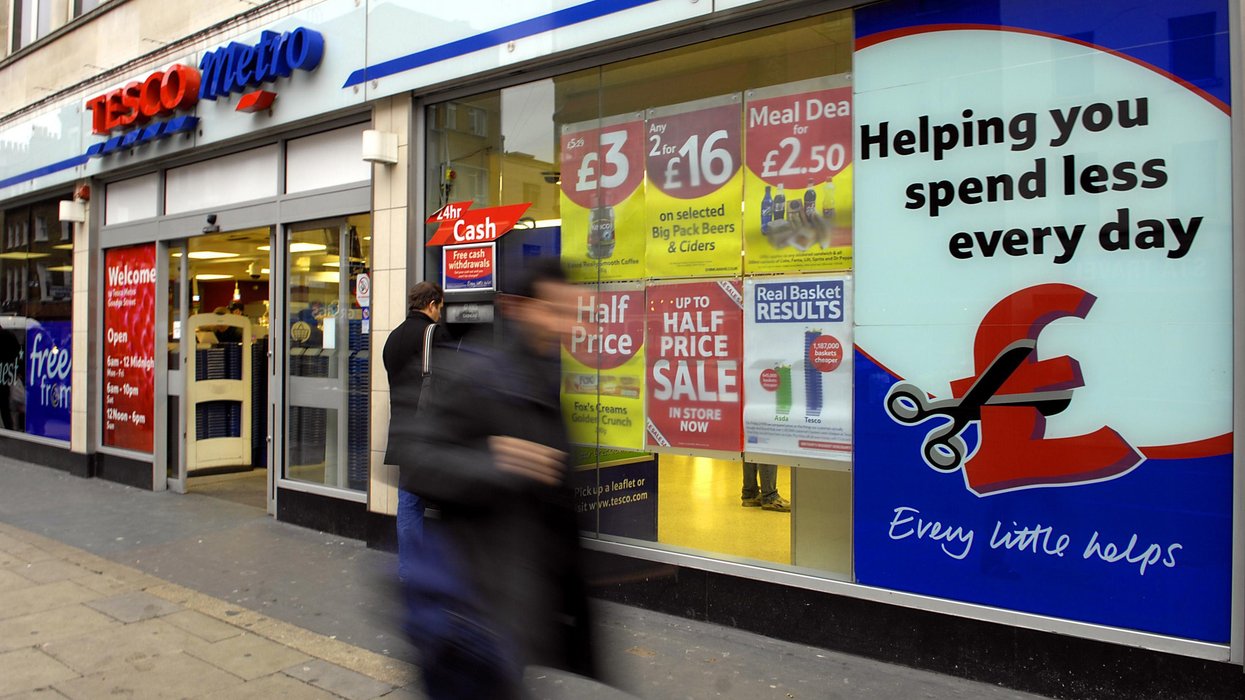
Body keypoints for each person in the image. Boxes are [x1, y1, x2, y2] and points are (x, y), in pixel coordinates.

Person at [406, 258, 598, 698]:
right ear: (517, 307)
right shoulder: (479, 375)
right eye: (553, 309)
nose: (565, 324)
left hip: (520, 608)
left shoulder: (547, 380)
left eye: (572, 312)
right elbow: (415, 458)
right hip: (472, 610)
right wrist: (494, 462)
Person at [383, 281, 446, 583]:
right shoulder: (433, 335)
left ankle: (410, 572)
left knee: (409, 502)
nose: (441, 315)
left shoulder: (392, 338)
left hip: (404, 431)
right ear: (432, 304)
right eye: (440, 308)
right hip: (432, 433)